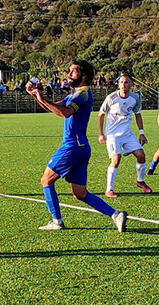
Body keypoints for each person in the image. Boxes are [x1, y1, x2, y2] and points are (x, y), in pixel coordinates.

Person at [26, 60, 127, 233]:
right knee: (80, 193)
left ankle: (56, 221)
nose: (69, 74)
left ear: (84, 75)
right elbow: (56, 107)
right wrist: (36, 95)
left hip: (72, 146)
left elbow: (65, 113)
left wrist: (41, 98)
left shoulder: (82, 94)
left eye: (73, 71)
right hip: (81, 147)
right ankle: (116, 215)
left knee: (46, 180)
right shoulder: (77, 93)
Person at [97, 72, 152, 197]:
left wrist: (141, 133)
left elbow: (138, 115)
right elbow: (101, 114)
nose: (123, 85)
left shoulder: (135, 98)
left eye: (126, 82)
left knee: (141, 155)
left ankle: (140, 181)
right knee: (116, 160)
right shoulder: (111, 98)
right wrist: (101, 134)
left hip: (127, 134)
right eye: (121, 82)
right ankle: (109, 189)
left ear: (131, 85)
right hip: (112, 135)